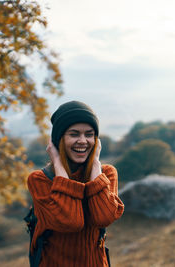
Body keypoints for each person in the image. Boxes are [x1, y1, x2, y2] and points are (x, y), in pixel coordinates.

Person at [27, 100, 124, 267]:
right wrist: (58, 164)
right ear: (59, 139)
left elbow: (103, 217)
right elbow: (70, 221)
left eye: (89, 134)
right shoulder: (39, 180)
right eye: (74, 134)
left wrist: (95, 166)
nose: (83, 141)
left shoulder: (106, 174)